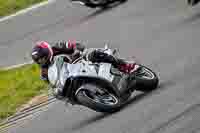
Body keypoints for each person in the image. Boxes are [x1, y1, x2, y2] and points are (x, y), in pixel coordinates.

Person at [31, 40, 136, 99]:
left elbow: (75, 44)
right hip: (71, 77)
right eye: (39, 60)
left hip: (80, 60)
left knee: (92, 54)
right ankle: (95, 95)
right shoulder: (44, 73)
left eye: (43, 57)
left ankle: (124, 65)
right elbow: (52, 84)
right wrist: (57, 91)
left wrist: (76, 51)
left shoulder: (58, 47)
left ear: (48, 52)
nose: (42, 61)